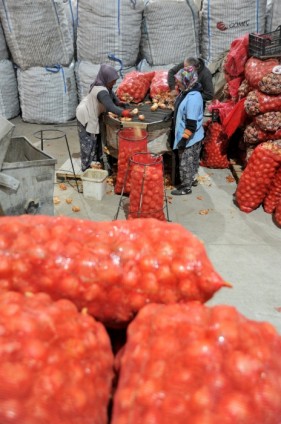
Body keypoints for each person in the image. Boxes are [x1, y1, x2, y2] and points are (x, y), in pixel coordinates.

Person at [76, 63, 132, 172]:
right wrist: (125, 113)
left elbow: (113, 98)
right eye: (113, 80)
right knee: (88, 142)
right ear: (106, 78)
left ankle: (96, 164)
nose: (114, 82)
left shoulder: (105, 85)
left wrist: (120, 103)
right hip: (85, 115)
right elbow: (110, 107)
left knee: (96, 141)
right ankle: (87, 168)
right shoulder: (101, 90)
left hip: (92, 112)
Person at [171, 66, 204, 196]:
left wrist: (184, 139)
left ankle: (186, 187)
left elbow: (191, 124)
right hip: (193, 136)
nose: (177, 83)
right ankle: (192, 179)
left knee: (186, 162)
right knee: (193, 161)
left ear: (186, 81)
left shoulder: (194, 98)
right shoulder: (186, 91)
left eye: (179, 81)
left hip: (190, 137)